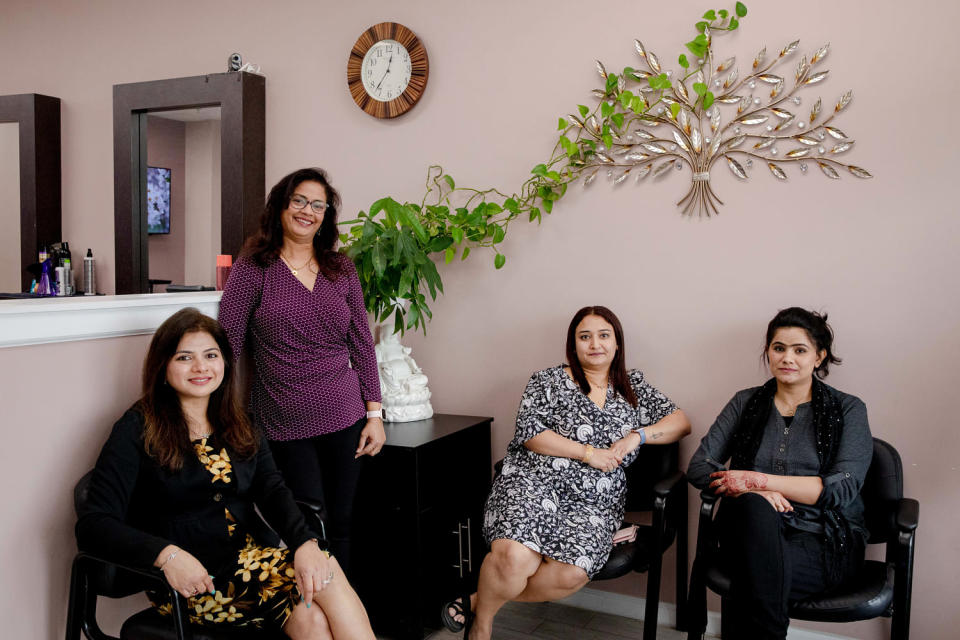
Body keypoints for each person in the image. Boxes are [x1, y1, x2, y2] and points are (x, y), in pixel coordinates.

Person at [75, 308, 374, 638]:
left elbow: (272, 490)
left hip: (250, 563)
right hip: (191, 582)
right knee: (326, 569)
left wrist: (303, 543)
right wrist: (167, 556)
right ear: (163, 366)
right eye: (185, 357)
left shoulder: (237, 421)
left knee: (312, 615)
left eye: (211, 355)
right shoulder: (137, 429)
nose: (201, 367)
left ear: (225, 363)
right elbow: (94, 524)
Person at [443, 306, 691, 639]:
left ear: (617, 344)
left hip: (594, 503)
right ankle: (482, 628)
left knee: (572, 573)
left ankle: (476, 602)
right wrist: (589, 453)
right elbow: (530, 433)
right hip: (532, 482)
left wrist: (638, 435)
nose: (595, 344)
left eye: (604, 336)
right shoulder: (546, 381)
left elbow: (681, 423)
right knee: (515, 559)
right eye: (584, 337)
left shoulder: (633, 388)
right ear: (572, 345)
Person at [218, 168, 384, 575]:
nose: (307, 211)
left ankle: (346, 620)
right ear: (280, 205)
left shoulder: (340, 267)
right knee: (308, 528)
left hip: (345, 416)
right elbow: (228, 342)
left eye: (318, 205)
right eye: (299, 201)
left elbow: (361, 340)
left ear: (326, 216)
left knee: (342, 523)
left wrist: (375, 414)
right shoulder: (254, 266)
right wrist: (215, 412)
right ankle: (315, 619)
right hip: (283, 421)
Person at [687, 307, 872, 639]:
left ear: (819, 357)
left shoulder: (849, 409)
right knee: (755, 511)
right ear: (768, 352)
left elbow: (842, 488)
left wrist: (758, 480)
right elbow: (700, 466)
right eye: (779, 348)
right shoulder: (745, 402)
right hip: (748, 530)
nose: (787, 358)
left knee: (755, 578)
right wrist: (752, 493)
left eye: (800, 350)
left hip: (823, 540)